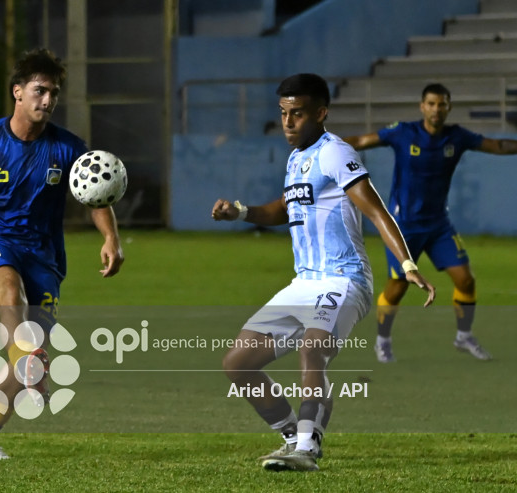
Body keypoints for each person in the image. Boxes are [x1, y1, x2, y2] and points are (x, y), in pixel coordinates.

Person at [212, 73, 435, 472]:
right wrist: (241, 212)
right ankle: (291, 437)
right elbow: (284, 208)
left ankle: (308, 447)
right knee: (237, 363)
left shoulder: (335, 153)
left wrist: (407, 265)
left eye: (297, 114)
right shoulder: (297, 158)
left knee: (312, 348)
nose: (287, 122)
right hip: (304, 282)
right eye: (283, 113)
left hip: (344, 278)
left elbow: (377, 211)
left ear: (321, 113)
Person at [0, 47, 124, 460]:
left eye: (53, 93)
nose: (47, 100)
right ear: (17, 92)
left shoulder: (67, 148)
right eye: (39, 91)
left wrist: (111, 239)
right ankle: (26, 354)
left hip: (44, 258)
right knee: (8, 288)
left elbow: (96, 194)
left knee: (25, 365)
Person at [344, 83, 517, 363]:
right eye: (432, 104)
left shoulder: (457, 137)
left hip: (438, 225)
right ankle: (383, 341)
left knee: (465, 280)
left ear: (449, 107)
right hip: (403, 226)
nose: (437, 109)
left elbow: (496, 145)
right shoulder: (403, 133)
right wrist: (324, 147)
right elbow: (363, 140)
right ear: (422, 106)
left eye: (442, 104)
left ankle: (463, 336)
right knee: (397, 287)